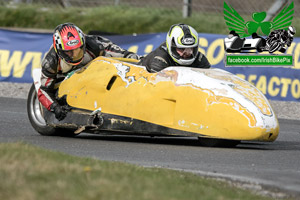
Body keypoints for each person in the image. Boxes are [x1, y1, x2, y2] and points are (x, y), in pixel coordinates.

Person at [38, 23, 140, 121]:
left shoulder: (95, 44)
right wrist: (54, 107)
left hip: (94, 76)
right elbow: (43, 90)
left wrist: (133, 58)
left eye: (78, 50)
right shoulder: (50, 62)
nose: (74, 55)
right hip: (64, 81)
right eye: (69, 52)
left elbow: (120, 53)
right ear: (59, 50)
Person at [139, 23, 211, 72]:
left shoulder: (200, 59)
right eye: (182, 49)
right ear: (172, 46)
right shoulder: (160, 61)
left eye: (191, 48)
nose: (187, 53)